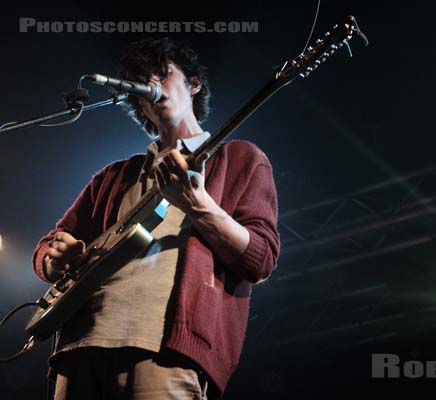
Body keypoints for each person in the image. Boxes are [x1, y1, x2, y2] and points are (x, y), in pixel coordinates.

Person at [31, 37, 280, 400]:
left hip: (164, 354)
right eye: (142, 81)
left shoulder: (240, 159)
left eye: (163, 75)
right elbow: (47, 247)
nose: (152, 85)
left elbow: (261, 258)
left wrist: (198, 205)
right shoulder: (114, 176)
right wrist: (55, 259)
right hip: (79, 348)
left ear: (193, 83)